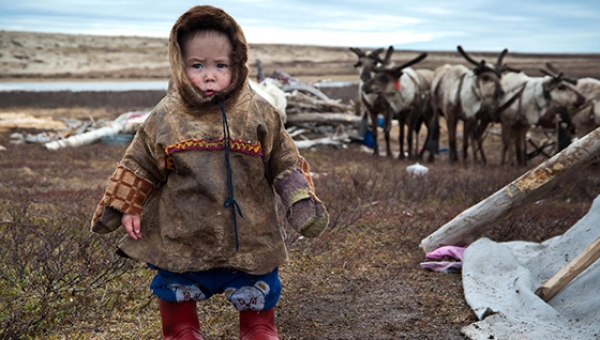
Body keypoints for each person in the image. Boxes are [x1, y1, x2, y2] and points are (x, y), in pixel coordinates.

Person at [90, 5, 329, 340]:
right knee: (175, 293)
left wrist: (299, 201)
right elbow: (139, 162)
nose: (209, 75)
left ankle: (259, 327)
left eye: (221, 65)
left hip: (249, 236)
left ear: (238, 64)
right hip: (183, 236)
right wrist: (127, 204)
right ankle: (181, 329)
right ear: (179, 64)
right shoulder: (166, 117)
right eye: (197, 66)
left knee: (258, 291)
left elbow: (284, 161)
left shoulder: (259, 113)